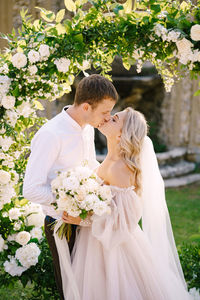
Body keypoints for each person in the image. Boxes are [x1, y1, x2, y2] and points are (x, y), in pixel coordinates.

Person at [61, 107, 192, 300]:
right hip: (96, 243)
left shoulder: (121, 168)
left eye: (114, 119)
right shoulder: (112, 159)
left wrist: (80, 219)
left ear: (122, 133)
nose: (107, 119)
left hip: (114, 250)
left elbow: (122, 223)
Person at [23, 74, 118, 300]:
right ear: (86, 106)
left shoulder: (87, 127)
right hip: (61, 224)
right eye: (105, 112)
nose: (108, 117)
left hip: (86, 220)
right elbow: (31, 189)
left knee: (91, 287)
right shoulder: (50, 135)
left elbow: (89, 166)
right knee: (71, 289)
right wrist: (72, 204)